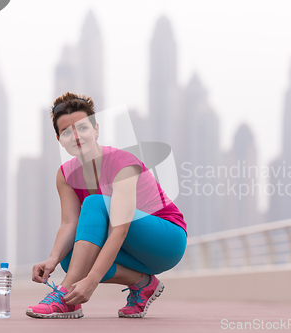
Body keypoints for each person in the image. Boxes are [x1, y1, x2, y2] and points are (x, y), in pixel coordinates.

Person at [26, 93, 187, 319]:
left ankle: (65, 297)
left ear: (96, 130)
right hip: (132, 248)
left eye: (82, 128)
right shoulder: (65, 175)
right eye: (66, 131)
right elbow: (70, 223)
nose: (76, 136)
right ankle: (143, 284)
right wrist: (52, 259)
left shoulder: (123, 164)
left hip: (166, 240)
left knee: (95, 202)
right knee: (70, 258)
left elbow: (119, 230)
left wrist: (91, 281)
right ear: (59, 138)